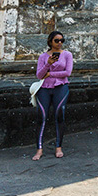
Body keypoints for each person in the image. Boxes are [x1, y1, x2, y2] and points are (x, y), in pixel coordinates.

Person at [33, 31, 73, 160]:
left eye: (62, 40)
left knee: (59, 115)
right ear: (50, 41)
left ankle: (58, 147)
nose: (60, 43)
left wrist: (50, 74)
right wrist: (48, 64)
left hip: (61, 87)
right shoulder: (43, 57)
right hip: (44, 88)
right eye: (57, 40)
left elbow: (68, 72)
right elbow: (39, 75)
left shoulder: (67, 55)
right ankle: (39, 149)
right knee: (41, 117)